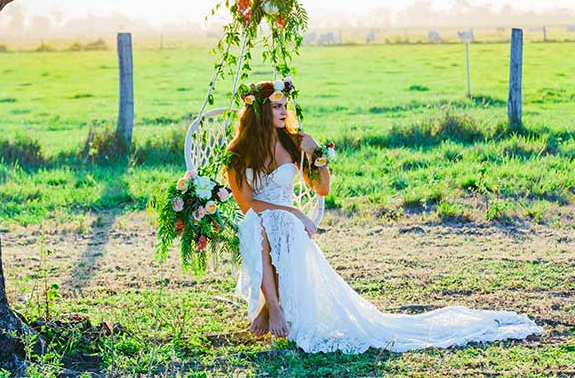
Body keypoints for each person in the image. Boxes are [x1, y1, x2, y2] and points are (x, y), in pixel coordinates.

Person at [224, 78, 543, 354]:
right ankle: (273, 307)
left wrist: (317, 153)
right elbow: (247, 205)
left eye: (285, 107)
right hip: (262, 220)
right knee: (259, 224)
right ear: (259, 112)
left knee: (278, 225)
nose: (284, 113)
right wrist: (294, 211)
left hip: (287, 226)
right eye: (277, 107)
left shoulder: (293, 143)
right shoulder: (238, 154)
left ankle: (271, 309)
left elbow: (321, 190)